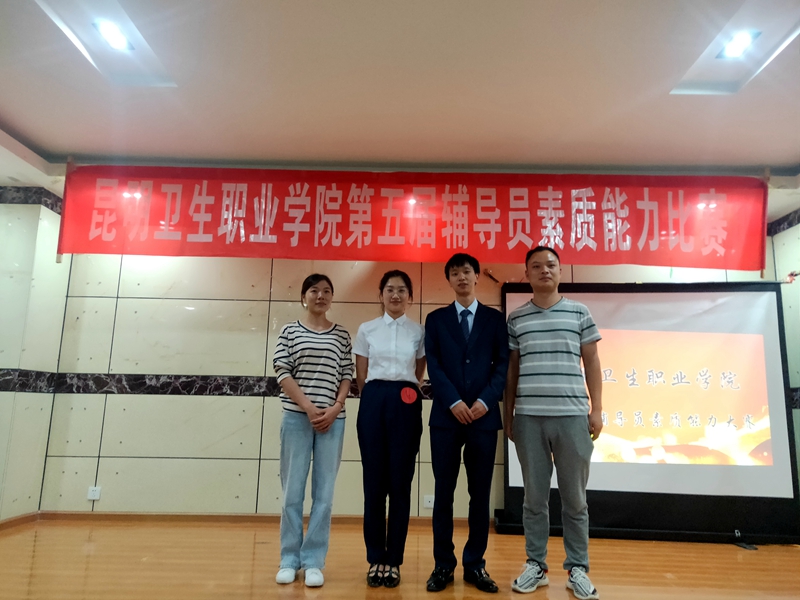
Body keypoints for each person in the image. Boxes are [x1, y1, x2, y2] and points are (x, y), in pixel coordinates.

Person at [505, 246, 603, 600]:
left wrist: (597, 409)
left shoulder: (579, 312)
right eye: (536, 266)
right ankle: (536, 565)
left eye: (550, 265)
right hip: (528, 418)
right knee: (534, 499)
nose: (544, 270)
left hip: (572, 417)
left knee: (575, 500)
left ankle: (578, 568)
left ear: (560, 271)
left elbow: (592, 362)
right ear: (527, 274)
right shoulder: (516, 318)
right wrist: (508, 416)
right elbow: (512, 372)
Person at [424, 253, 509, 594]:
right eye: (455, 273)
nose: (462, 277)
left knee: (480, 494)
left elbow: (502, 365)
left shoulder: (495, 319)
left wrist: (485, 401)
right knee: (443, 494)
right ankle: (443, 565)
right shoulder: (436, 319)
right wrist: (454, 402)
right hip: (446, 418)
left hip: (483, 419)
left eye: (467, 272)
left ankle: (475, 565)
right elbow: (434, 364)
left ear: (477, 277)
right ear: (449, 280)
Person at [273, 273, 354, 588]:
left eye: (327, 291)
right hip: (297, 418)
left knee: (324, 495)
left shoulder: (341, 335)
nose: (321, 296)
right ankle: (289, 559)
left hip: (333, 421)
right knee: (292, 492)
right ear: (303, 297)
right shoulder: (289, 331)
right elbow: (282, 371)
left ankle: (314, 561)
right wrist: (308, 407)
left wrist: (336, 407)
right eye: (314, 290)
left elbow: (346, 374)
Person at [354, 269, 426, 588]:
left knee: (400, 482)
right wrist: (377, 395)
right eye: (389, 289)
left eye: (401, 290)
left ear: (410, 297)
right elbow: (361, 374)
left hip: (406, 399)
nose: (395, 295)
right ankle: (375, 558)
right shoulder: (366, 328)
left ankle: (393, 559)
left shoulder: (419, 331)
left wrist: (403, 390)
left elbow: (419, 370)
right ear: (381, 295)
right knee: (374, 482)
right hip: (373, 398)